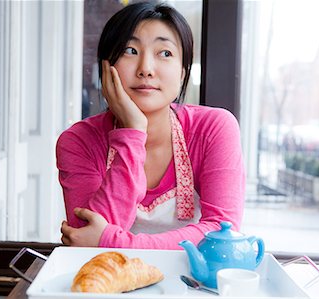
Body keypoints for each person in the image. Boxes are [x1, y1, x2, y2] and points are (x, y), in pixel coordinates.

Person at [56, 2, 245, 250]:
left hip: (194, 287)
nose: (146, 69)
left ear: (181, 73)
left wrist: (118, 241)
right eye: (130, 50)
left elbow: (222, 232)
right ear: (106, 68)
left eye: (164, 53)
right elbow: (86, 244)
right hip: (108, 286)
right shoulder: (78, 142)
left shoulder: (214, 128)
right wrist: (132, 132)